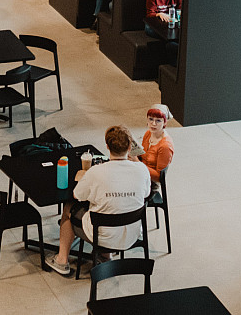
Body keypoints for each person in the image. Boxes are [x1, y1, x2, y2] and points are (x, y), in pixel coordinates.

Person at [44, 126, 152, 275]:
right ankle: (105, 256)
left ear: (107, 146)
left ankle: (62, 259)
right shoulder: (142, 170)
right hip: (132, 233)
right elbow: (146, 193)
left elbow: (77, 195)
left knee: (69, 207)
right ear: (129, 147)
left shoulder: (96, 172)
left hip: (102, 235)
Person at [135, 104, 175, 187]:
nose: (153, 123)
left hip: (151, 183)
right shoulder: (148, 133)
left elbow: (159, 178)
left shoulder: (165, 146)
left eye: (158, 121)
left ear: (164, 122)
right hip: (140, 172)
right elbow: (142, 154)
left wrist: (137, 162)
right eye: (151, 119)